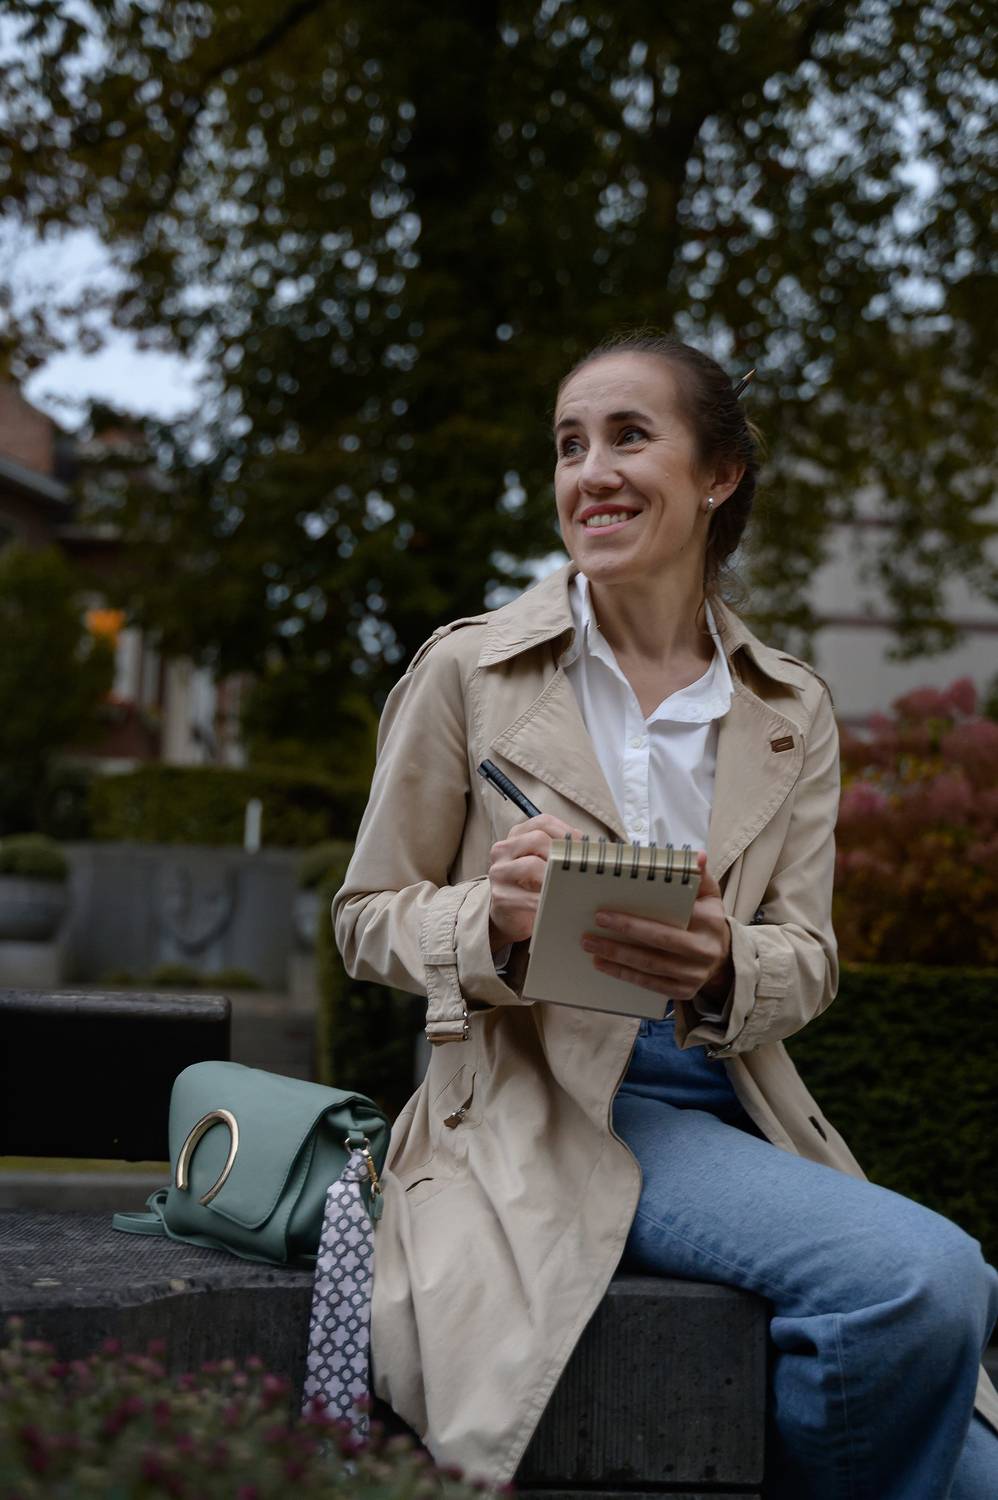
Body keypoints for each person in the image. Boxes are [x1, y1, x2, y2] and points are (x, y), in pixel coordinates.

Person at [332, 333, 998, 1497]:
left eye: (628, 437)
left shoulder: (788, 706)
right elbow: (363, 916)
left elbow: (808, 957)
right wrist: (488, 919)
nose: (589, 472)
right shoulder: (468, 672)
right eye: (568, 445)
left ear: (717, 475)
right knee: (924, 1278)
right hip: (540, 1101)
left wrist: (722, 961)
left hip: (734, 1098)